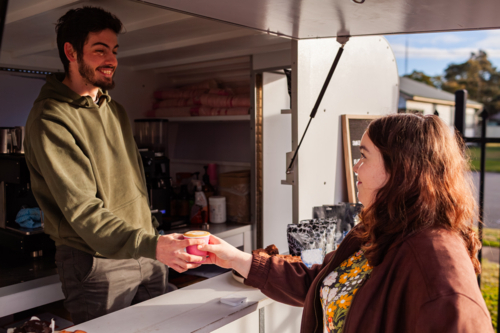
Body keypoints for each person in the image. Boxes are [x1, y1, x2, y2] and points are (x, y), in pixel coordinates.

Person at [200, 113, 494, 333]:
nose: (355, 166)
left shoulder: (436, 257)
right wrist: (235, 259)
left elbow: (461, 315)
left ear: (401, 170)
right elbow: (320, 281)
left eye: (364, 156)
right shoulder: (382, 227)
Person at [24, 7, 204, 324]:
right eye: (100, 50)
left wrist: (154, 240)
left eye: (115, 51)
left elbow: (134, 187)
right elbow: (83, 211)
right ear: (70, 51)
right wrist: (152, 244)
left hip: (146, 250)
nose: (112, 60)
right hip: (97, 263)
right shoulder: (50, 118)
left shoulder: (114, 109)